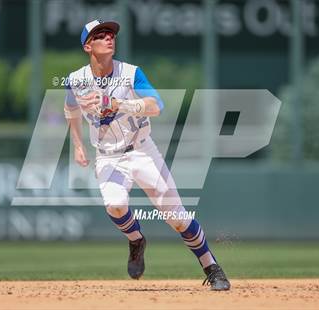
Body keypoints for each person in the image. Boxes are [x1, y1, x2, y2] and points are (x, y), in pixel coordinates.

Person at [64, 19, 230, 291]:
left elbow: (156, 105)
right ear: (87, 46)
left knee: (176, 217)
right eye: (100, 35)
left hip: (142, 151)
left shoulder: (130, 74)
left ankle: (212, 267)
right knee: (115, 205)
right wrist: (78, 144)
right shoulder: (74, 80)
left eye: (111, 34)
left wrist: (118, 103)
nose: (109, 38)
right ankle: (136, 240)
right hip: (107, 155)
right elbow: (70, 110)